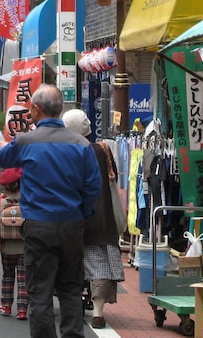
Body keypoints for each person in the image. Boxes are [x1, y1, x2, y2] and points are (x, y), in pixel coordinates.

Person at [0, 84, 101, 338]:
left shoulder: (26, 141)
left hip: (38, 224)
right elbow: (93, 187)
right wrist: (81, 213)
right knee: (70, 289)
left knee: (40, 291)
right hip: (72, 224)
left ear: (35, 110)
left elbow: (2, 160)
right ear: (61, 109)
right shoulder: (81, 144)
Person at [62, 111, 125, 329]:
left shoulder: (67, 152)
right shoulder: (102, 150)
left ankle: (77, 302)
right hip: (102, 217)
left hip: (73, 217)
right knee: (100, 265)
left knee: (73, 263)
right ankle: (98, 313)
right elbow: (113, 177)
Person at [0, 167, 28, 321]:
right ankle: (22, 310)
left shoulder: (1, 202)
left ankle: (6, 305)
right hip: (24, 246)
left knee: (7, 275)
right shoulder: (28, 200)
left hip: (7, 247)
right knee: (23, 278)